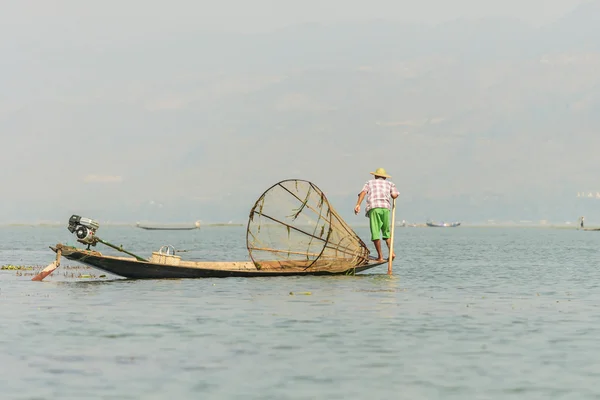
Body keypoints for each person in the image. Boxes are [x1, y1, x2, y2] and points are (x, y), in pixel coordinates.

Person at [354, 167, 399, 262]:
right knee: (386, 233)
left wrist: (358, 204)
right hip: (385, 208)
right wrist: (393, 195)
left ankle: (380, 256)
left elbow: (363, 193)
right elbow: (394, 195)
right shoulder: (390, 184)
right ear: (385, 177)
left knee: (375, 233)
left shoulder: (369, 183)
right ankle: (392, 252)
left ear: (375, 176)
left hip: (374, 208)